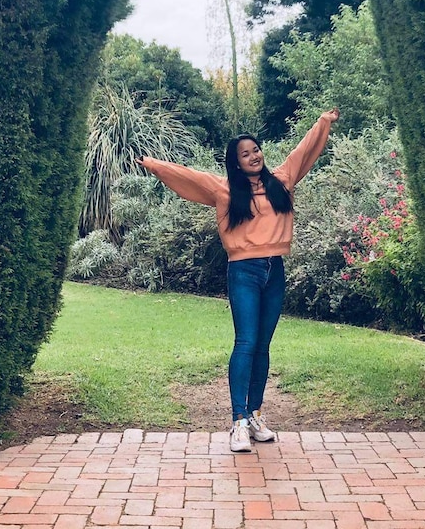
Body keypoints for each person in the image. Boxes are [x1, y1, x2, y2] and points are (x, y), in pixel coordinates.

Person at [139, 108, 340, 452]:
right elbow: (187, 176)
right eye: (245, 153)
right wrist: (155, 165)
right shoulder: (224, 190)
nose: (253, 156)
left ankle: (256, 414)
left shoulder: (282, 180)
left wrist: (323, 123)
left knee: (263, 346)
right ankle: (238, 422)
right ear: (235, 161)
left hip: (274, 269)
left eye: (256, 150)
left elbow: (304, 151)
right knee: (246, 343)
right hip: (243, 271)